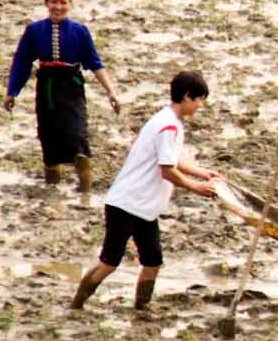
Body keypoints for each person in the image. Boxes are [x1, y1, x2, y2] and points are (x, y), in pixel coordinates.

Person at [71, 71, 219, 312]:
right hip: (126, 204)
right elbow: (167, 170)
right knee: (109, 263)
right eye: (199, 99)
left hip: (144, 207)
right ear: (186, 97)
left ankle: (141, 308)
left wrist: (203, 173)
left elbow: (173, 159)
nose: (200, 105)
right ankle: (77, 303)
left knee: (153, 262)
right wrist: (197, 187)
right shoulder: (168, 125)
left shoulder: (168, 120)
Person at [3, 0, 122, 192]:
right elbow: (21, 62)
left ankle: (85, 194)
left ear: (70, 4)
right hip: (47, 89)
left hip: (72, 87)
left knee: (78, 137)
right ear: (46, 3)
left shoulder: (80, 31)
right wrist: (12, 91)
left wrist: (111, 92)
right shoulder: (34, 30)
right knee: (49, 140)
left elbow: (95, 63)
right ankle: (52, 193)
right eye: (54, 2)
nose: (58, 7)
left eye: (63, 2)